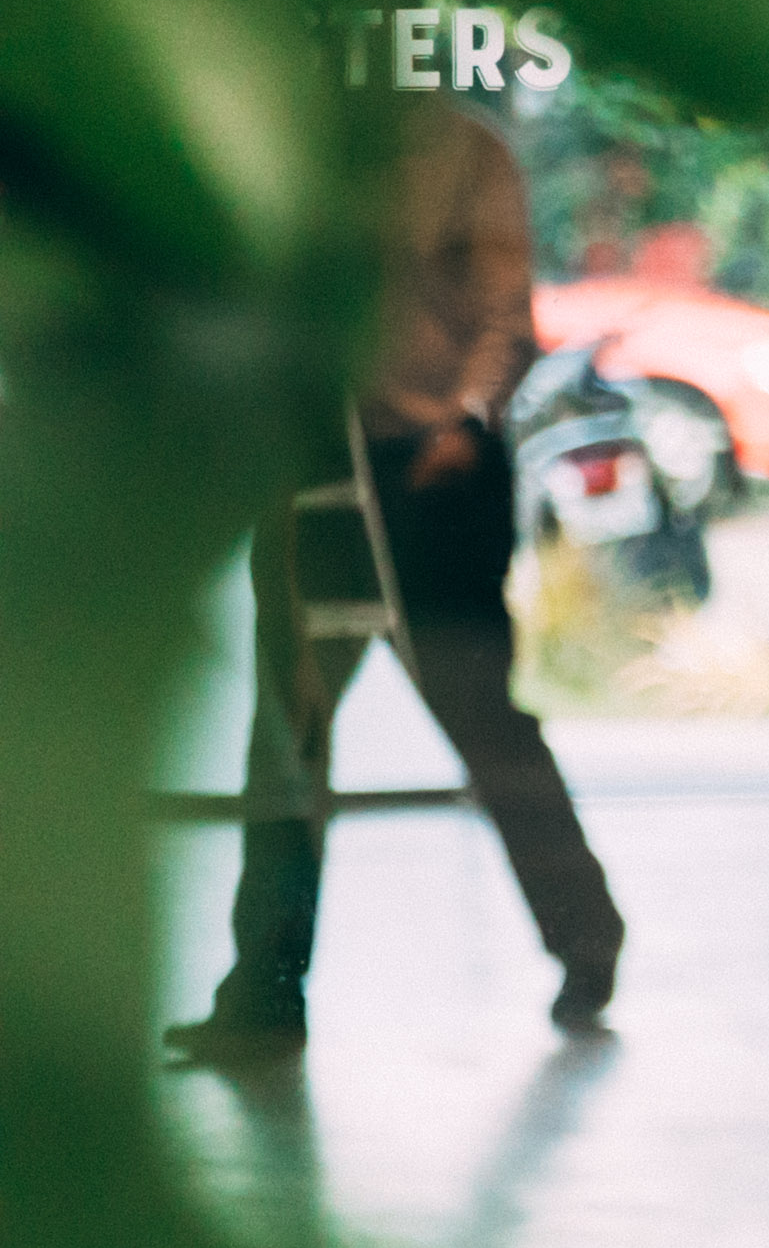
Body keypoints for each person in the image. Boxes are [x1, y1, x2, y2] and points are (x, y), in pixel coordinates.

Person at [174, 94, 624, 1075]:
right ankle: (263, 991)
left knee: (482, 722)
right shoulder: (293, 139)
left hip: (432, 471)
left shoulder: (461, 150)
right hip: (312, 465)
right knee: (286, 739)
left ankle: (587, 944)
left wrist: (462, 421)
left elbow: (505, 307)